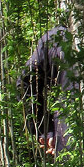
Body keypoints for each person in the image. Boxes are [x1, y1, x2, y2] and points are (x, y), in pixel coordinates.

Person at [17, 26, 74, 156]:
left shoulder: (56, 37)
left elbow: (25, 83)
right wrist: (45, 129)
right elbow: (26, 83)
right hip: (68, 133)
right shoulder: (56, 38)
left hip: (68, 132)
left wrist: (44, 130)